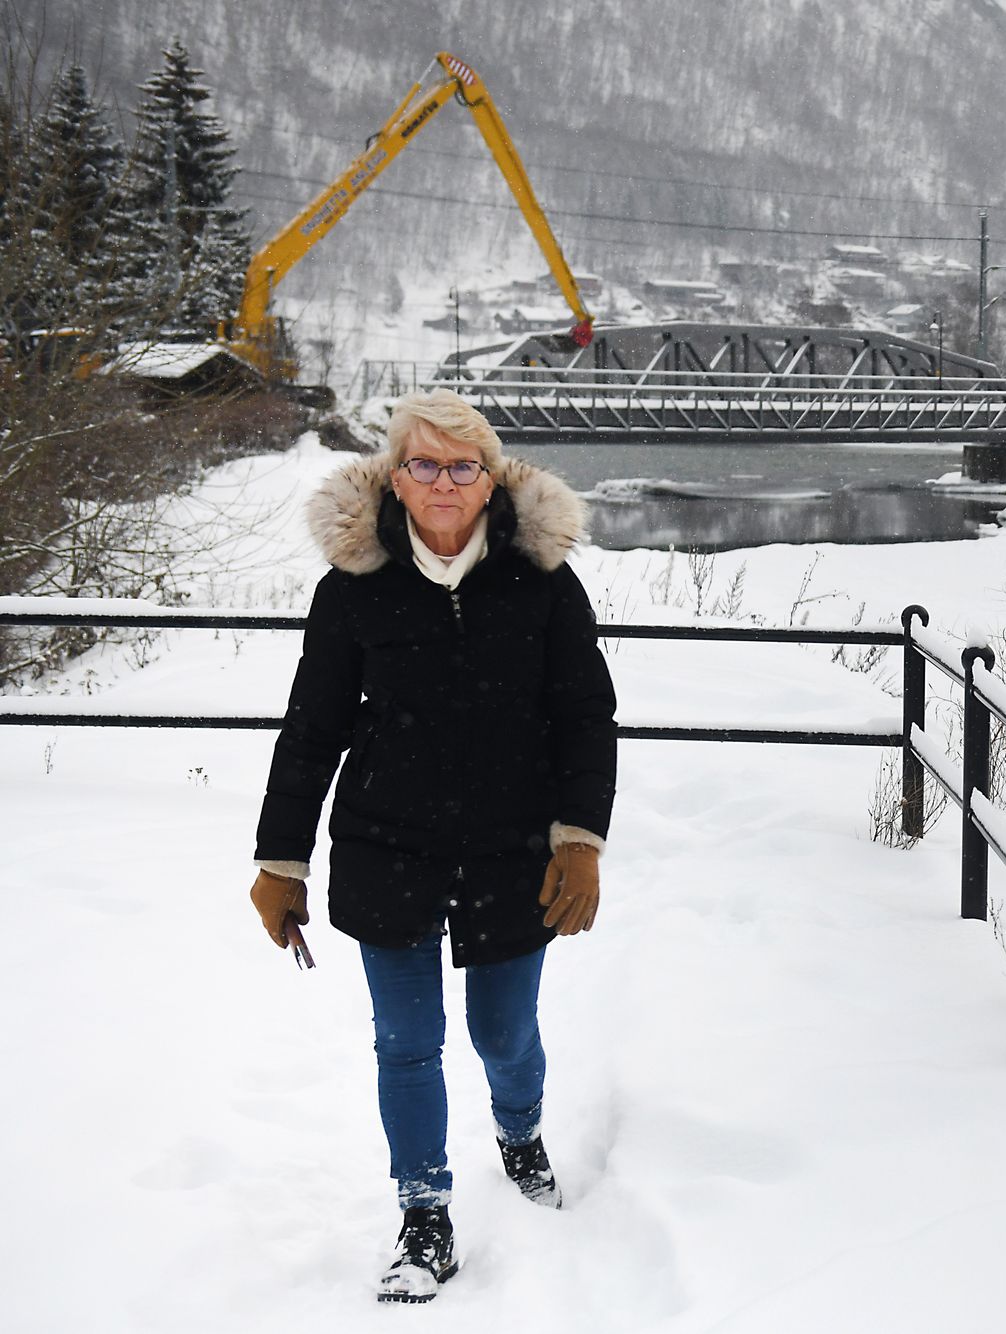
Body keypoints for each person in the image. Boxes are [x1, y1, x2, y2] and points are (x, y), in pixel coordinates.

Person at [248, 388, 616, 1303]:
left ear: (491, 480)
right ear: (394, 477)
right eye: (424, 465)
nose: (443, 483)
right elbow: (312, 728)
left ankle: (520, 1131)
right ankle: (425, 1216)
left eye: (463, 466)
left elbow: (584, 717)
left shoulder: (541, 581)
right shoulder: (353, 587)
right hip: (387, 845)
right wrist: (279, 860)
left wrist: (580, 839)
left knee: (502, 1032)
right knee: (406, 1042)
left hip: (510, 846)